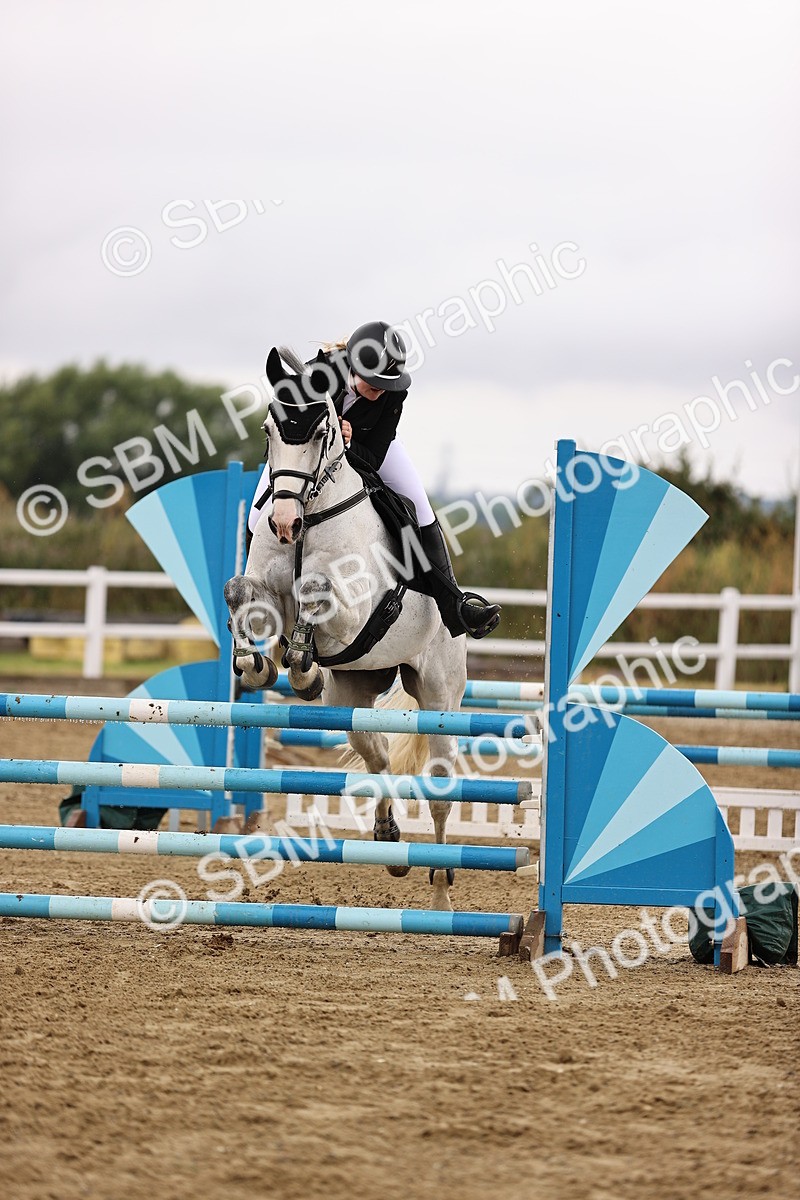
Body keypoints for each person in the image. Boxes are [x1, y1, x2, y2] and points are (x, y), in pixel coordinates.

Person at [248, 320, 500, 639]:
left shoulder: (393, 392)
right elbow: (289, 423)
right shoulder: (319, 373)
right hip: (304, 453)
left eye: (386, 384)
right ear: (352, 367)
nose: (380, 390)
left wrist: (348, 442)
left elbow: (376, 456)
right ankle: (253, 599)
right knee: (256, 515)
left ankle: (455, 605)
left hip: (368, 446)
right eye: (374, 382)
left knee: (420, 507)